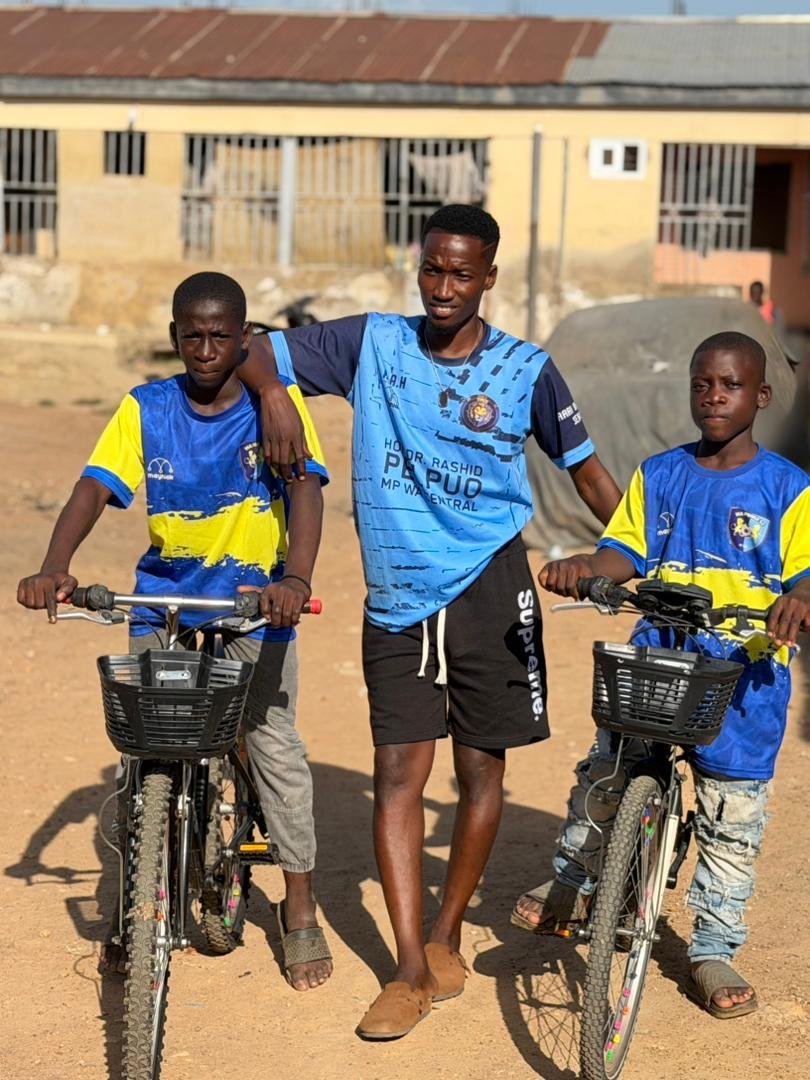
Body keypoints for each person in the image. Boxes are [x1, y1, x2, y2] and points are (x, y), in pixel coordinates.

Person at [238, 204, 622, 1038]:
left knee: (481, 773)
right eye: (432, 269)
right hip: (401, 597)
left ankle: (445, 933)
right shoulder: (369, 343)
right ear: (420, 267)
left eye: (461, 274)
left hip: (494, 586)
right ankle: (409, 970)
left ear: (488, 278)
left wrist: (637, 553)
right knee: (398, 770)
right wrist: (273, 392)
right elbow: (256, 348)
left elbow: (588, 474)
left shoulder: (527, 371)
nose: (444, 288)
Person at [16, 271, 334, 992]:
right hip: (164, 596)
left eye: (222, 335)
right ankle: (138, 905)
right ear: (172, 338)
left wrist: (296, 581)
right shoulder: (147, 408)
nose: (206, 348)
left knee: (271, 738)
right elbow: (94, 486)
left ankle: (301, 908)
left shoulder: (274, 411)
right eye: (191, 335)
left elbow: (305, 493)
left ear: (244, 338)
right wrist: (54, 566)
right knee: (145, 742)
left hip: (256, 599)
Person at [513, 331, 810, 1019]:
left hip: (743, 681)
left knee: (732, 819)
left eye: (730, 385)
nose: (713, 395)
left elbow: (803, 573)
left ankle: (712, 947)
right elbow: (625, 548)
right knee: (608, 772)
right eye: (702, 383)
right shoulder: (659, 474)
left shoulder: (789, 489)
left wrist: (797, 600)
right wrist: (586, 567)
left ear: (760, 396)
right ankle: (573, 881)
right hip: (663, 661)